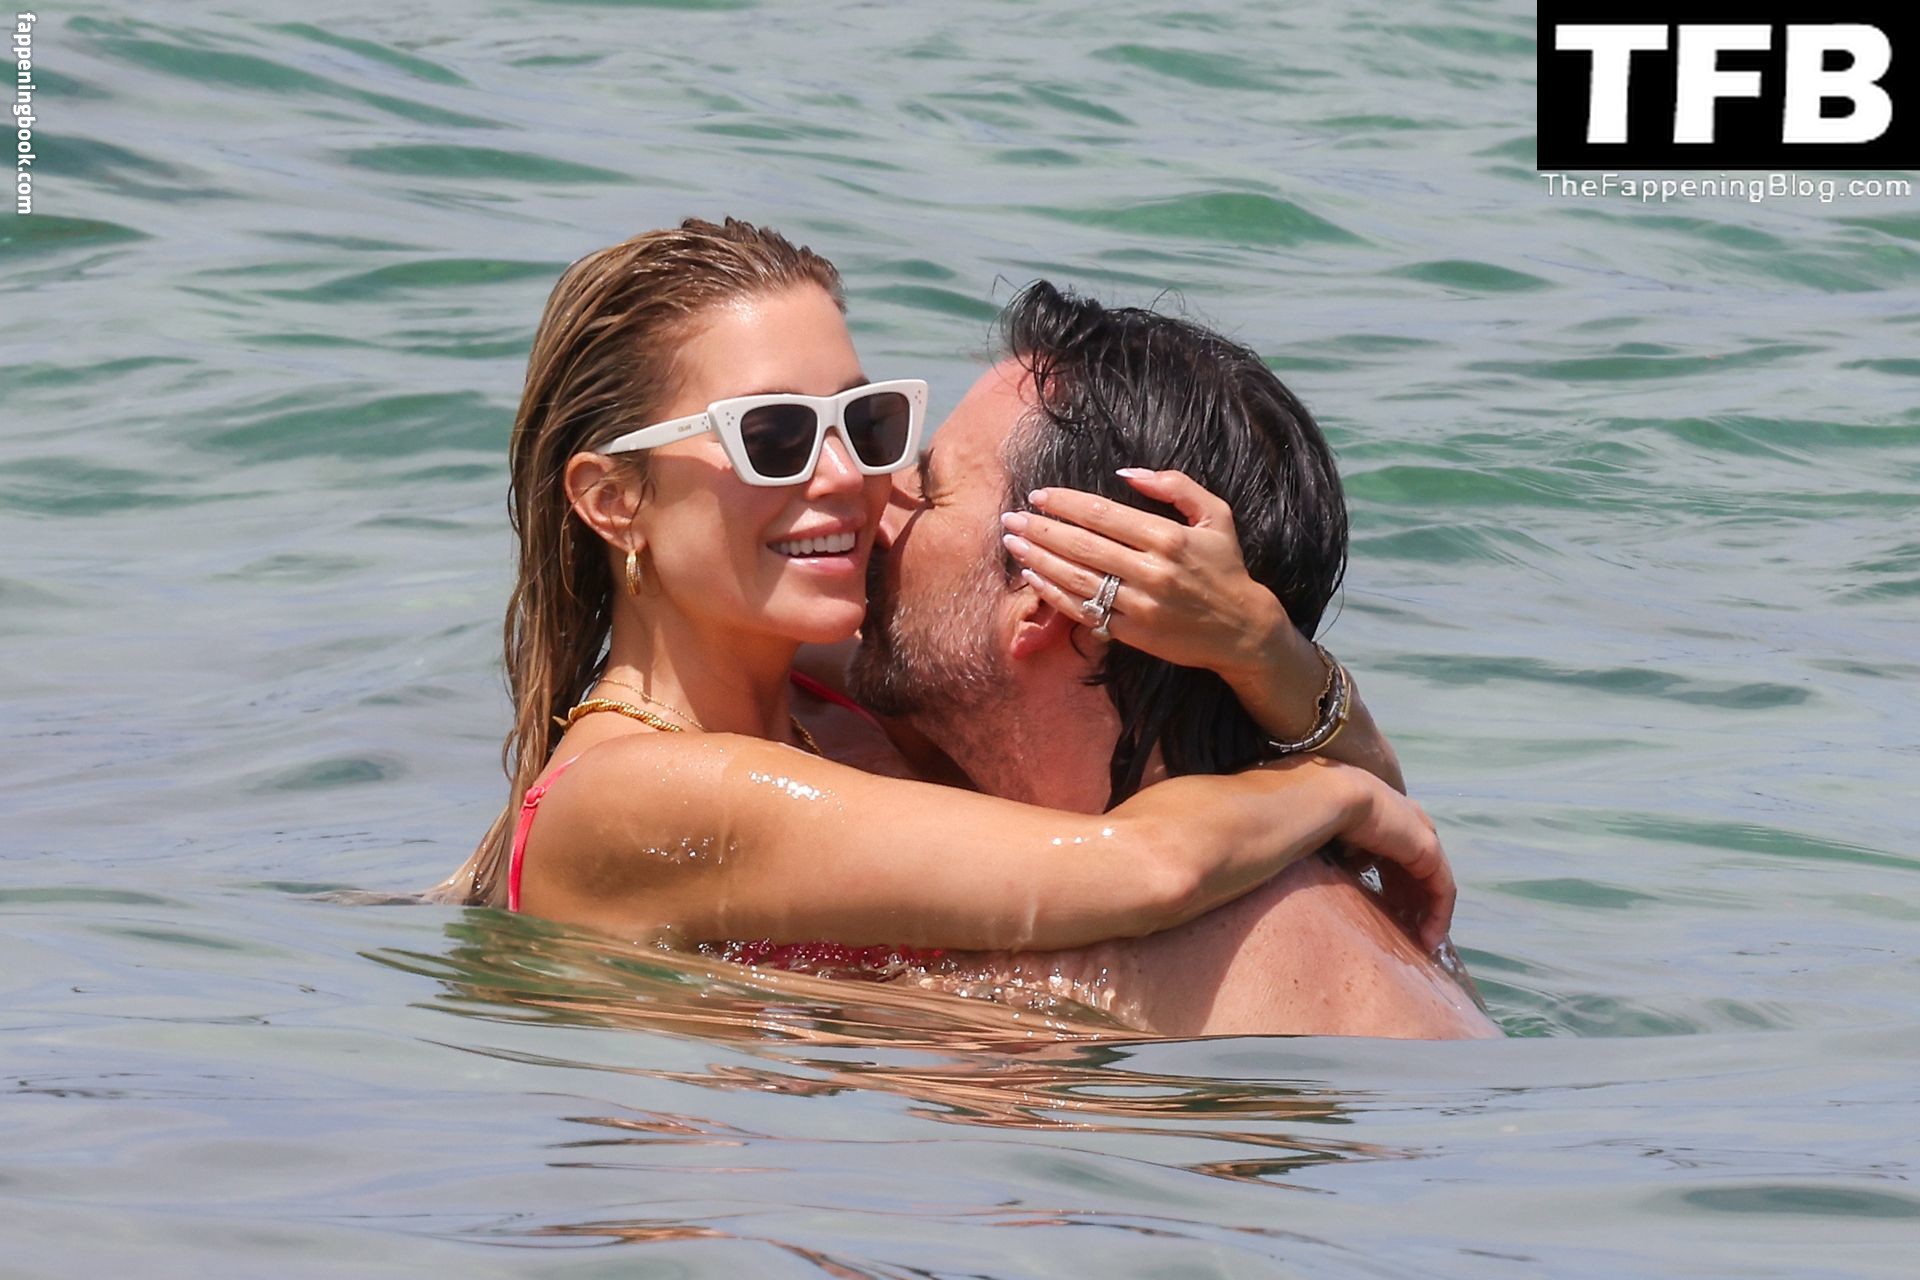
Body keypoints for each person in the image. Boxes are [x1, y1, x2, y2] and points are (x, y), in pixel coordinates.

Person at [434, 217, 1457, 996]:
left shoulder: (833, 695)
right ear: (614, 500)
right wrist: (1338, 796)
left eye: (866, 422)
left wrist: (1259, 647)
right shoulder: (635, 792)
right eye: (775, 437)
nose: (849, 477)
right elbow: (1144, 865)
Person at [844, 281, 1497, 1037]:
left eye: (928, 488)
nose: (875, 503)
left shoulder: (1138, 970)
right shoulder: (1285, 872)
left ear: (1047, 602)